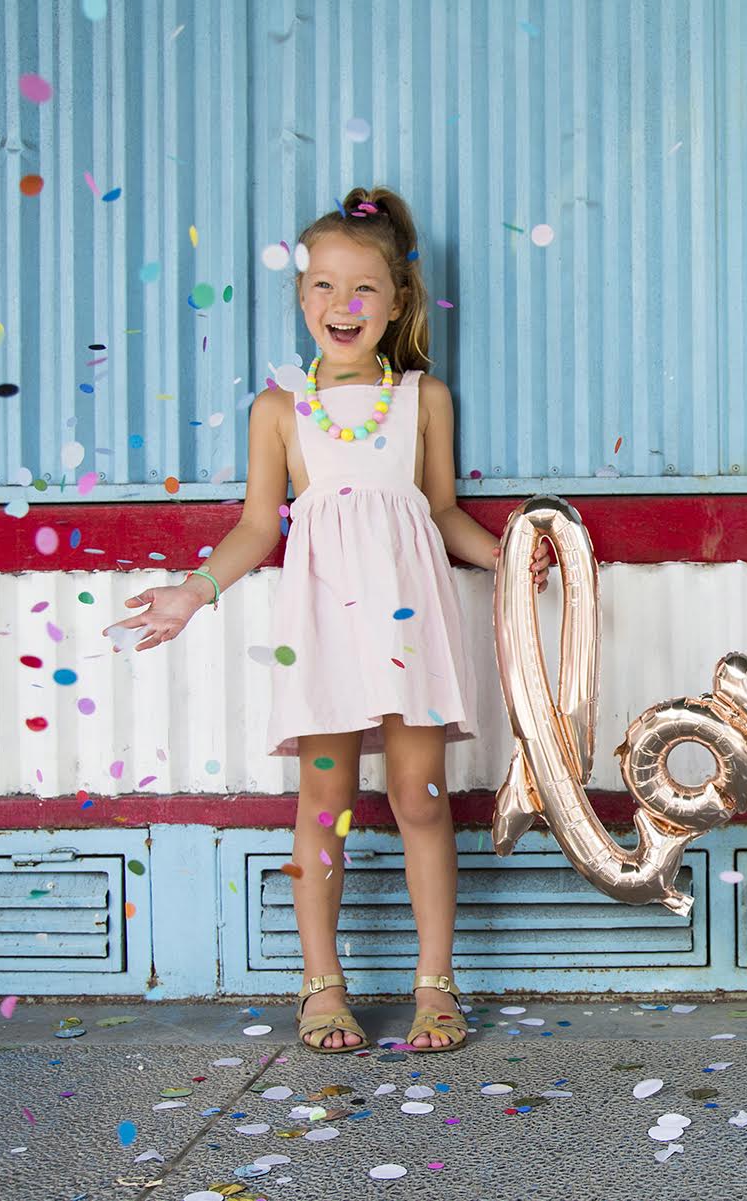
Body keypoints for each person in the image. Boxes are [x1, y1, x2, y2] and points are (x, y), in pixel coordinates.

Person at [107, 185, 545, 1054]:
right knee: (324, 804)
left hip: (408, 627)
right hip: (322, 631)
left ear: (397, 303)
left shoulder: (423, 399)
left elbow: (443, 511)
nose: (341, 306)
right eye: (322, 287)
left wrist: (512, 555)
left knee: (421, 799)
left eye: (363, 290)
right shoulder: (279, 409)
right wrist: (192, 592)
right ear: (300, 296)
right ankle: (321, 982)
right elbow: (257, 526)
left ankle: (434, 982)